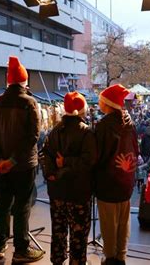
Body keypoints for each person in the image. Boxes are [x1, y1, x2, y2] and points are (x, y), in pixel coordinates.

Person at [0, 56, 44, 263]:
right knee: (21, 206)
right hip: (24, 165)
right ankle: (21, 249)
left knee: (2, 205)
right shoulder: (30, 103)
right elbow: (33, 137)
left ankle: (0, 246)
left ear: (8, 81)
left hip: (2, 166)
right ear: (25, 82)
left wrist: (0, 159)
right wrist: (14, 160)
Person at [40, 91, 97, 265]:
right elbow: (89, 161)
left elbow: (44, 155)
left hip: (56, 191)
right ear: (82, 110)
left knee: (58, 231)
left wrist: (52, 173)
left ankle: (57, 260)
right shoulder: (86, 132)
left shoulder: (54, 131)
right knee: (78, 233)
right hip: (78, 193)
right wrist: (67, 162)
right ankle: (76, 261)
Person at [94, 84, 139, 265]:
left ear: (108, 103)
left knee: (108, 223)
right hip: (126, 180)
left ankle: (110, 258)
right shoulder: (129, 122)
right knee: (123, 221)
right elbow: (135, 150)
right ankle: (121, 256)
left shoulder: (104, 125)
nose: (99, 102)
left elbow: (97, 155)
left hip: (108, 182)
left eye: (101, 99)